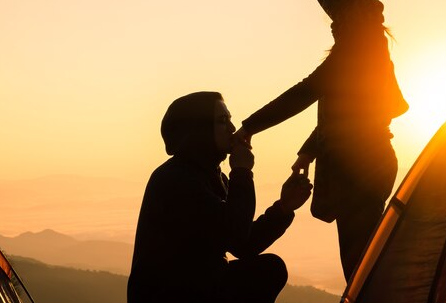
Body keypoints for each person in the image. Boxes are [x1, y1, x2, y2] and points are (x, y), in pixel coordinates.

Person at [235, 0, 409, 280]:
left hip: (361, 168)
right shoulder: (369, 41)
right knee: (365, 264)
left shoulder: (355, 48)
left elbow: (305, 92)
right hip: (369, 162)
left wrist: (250, 127)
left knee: (360, 270)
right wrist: (309, 150)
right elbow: (347, 112)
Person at [128, 91, 312, 303]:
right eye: (223, 121)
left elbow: (243, 246)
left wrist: (283, 208)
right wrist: (242, 172)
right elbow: (236, 234)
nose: (233, 129)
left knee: (270, 269)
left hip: (197, 286)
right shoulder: (176, 179)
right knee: (266, 271)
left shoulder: (208, 175)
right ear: (200, 130)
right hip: (172, 294)